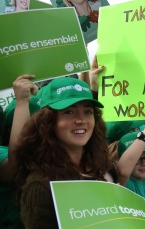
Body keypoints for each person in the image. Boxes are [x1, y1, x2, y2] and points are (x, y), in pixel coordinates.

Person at [11, 75, 113, 228]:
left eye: (88, 112)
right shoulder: (40, 186)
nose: (81, 120)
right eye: (69, 112)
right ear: (47, 122)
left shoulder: (101, 165)